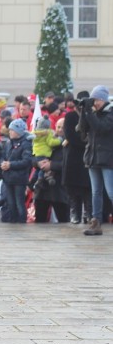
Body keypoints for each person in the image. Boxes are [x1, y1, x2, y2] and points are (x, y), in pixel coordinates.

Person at [78, 85, 113, 235]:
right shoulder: (93, 113)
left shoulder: (110, 113)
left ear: (104, 100)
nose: (95, 103)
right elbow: (81, 130)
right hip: (92, 157)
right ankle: (96, 222)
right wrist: (83, 111)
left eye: (97, 99)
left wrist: (88, 112)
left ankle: (97, 221)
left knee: (111, 191)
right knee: (96, 192)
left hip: (107, 158)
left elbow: (101, 128)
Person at [31, 117, 69, 223]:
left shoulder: (70, 143)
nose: (60, 129)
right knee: (40, 221)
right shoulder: (46, 138)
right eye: (58, 127)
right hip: (42, 189)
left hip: (59, 190)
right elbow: (33, 157)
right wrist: (38, 163)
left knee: (64, 221)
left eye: (63, 127)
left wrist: (51, 165)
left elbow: (70, 165)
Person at [62, 91, 92, 224]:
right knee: (73, 188)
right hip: (74, 156)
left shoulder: (91, 116)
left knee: (88, 187)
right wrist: (85, 142)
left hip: (88, 156)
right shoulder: (70, 116)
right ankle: (75, 213)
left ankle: (88, 213)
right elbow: (70, 135)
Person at [0, 119, 33, 224]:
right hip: (8, 178)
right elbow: (3, 156)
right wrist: (3, 163)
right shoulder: (9, 143)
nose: (10, 132)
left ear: (18, 131)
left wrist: (11, 165)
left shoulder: (26, 143)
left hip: (19, 178)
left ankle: (21, 221)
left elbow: (26, 161)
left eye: (12, 130)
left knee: (19, 202)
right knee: (10, 202)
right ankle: (13, 221)